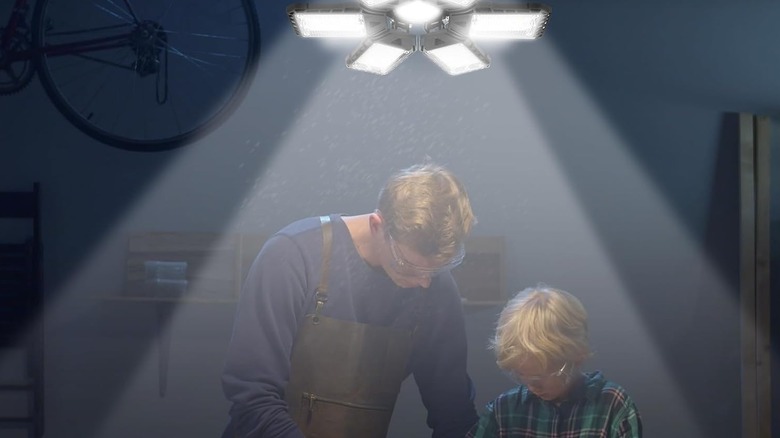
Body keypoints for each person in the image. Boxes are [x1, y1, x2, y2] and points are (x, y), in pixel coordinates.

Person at [221, 162, 479, 438]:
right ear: (377, 225)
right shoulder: (291, 257)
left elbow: (453, 411)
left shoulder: (435, 288)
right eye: (408, 265)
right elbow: (254, 400)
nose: (424, 282)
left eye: (434, 270)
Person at [466, 285, 643, 438]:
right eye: (521, 376)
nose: (532, 387)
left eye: (538, 379)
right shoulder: (503, 410)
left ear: (576, 357)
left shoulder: (612, 405)